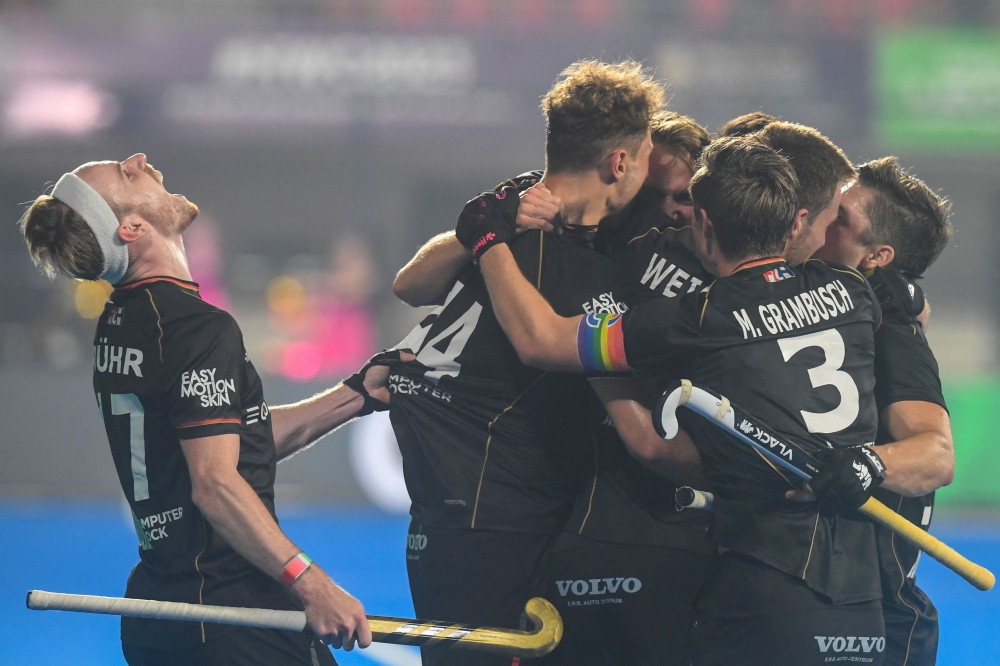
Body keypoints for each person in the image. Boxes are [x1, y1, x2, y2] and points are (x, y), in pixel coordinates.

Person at [462, 135, 889, 666]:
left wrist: (487, 242)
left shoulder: (698, 317)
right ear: (798, 222)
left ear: (703, 223)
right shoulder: (854, 293)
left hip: (765, 587)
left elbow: (539, 341)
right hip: (863, 598)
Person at [19, 154, 405, 666]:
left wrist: (354, 395)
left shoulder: (122, 317)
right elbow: (216, 484)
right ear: (132, 228)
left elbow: (236, 438)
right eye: (126, 173)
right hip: (231, 617)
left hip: (163, 611)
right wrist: (313, 585)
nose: (139, 160)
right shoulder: (194, 326)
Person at [384, 60, 663, 666]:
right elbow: (541, 344)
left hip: (449, 509)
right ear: (619, 162)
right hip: (497, 520)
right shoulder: (577, 269)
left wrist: (478, 234)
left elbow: (409, 284)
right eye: (645, 158)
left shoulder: (506, 209)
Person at [812, 156, 954, 666]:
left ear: (877, 256)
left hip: (874, 620)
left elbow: (936, 456)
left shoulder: (891, 330)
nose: (818, 219)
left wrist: (870, 463)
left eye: (839, 218)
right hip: (817, 600)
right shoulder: (843, 307)